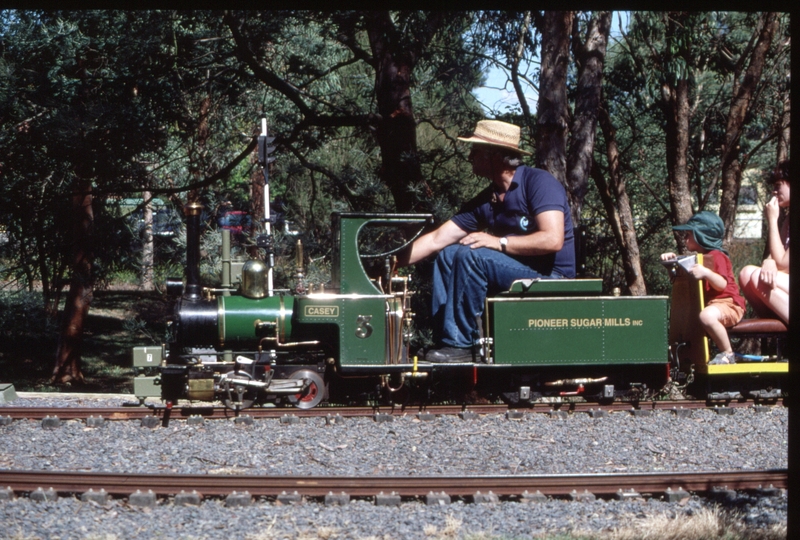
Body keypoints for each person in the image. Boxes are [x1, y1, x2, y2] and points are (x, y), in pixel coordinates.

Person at [400, 120, 575, 363]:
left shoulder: (539, 183)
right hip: (520, 272)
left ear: (495, 156)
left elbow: (552, 240)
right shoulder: (487, 200)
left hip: (552, 277)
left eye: (476, 151)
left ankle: (462, 345)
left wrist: (499, 242)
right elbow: (437, 239)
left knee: (471, 253)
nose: (469, 156)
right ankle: (447, 342)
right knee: (448, 254)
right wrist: (392, 263)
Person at [660, 211, 746, 365]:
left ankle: (728, 353)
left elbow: (722, 285)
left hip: (729, 304)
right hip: (713, 306)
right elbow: (677, 281)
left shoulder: (716, 256)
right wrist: (670, 265)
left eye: (688, 234)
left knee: (706, 316)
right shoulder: (698, 259)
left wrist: (706, 273)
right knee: (695, 318)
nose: (685, 238)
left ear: (702, 236)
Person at [738, 160, 790, 324]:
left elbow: (783, 264)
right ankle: (777, 325)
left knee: (758, 277)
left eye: (778, 186)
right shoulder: (789, 219)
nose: (774, 192)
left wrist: (772, 220)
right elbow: (776, 255)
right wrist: (769, 261)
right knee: (746, 274)